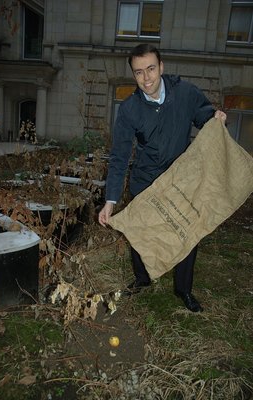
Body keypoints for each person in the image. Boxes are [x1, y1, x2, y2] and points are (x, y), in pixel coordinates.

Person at [98, 44, 226, 312]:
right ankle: (142, 278)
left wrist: (215, 117)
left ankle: (183, 290)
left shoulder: (186, 93)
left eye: (151, 69)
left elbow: (204, 116)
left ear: (162, 67)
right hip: (145, 181)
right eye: (139, 72)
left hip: (180, 181)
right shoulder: (129, 109)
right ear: (133, 75)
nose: (146, 79)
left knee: (187, 234)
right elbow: (120, 156)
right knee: (138, 232)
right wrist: (110, 201)